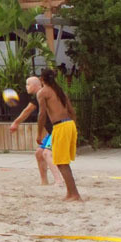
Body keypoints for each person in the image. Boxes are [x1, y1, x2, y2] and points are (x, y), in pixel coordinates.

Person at [30, 69, 82, 201]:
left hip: (60, 126)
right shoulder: (60, 91)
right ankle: (71, 193)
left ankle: (74, 194)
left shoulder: (43, 92)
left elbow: (42, 114)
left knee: (61, 162)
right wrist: (74, 127)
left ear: (42, 79)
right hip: (69, 124)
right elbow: (71, 110)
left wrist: (39, 133)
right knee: (62, 161)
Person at [8, 77, 57, 186]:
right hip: (51, 132)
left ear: (35, 85)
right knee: (39, 153)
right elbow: (28, 110)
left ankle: (59, 181)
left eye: (28, 84)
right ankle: (44, 181)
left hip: (57, 129)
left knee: (47, 153)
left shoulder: (43, 94)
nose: (26, 87)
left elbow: (27, 111)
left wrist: (15, 123)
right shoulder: (38, 96)